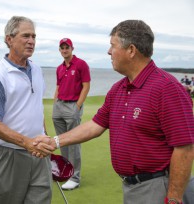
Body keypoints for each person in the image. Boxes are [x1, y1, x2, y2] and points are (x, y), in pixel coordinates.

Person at [34, 20, 194, 204]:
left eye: (113, 46)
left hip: (158, 186)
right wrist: (54, 141)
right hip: (132, 187)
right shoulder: (118, 89)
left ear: (131, 50)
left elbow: (185, 148)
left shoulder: (167, 88)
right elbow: (95, 125)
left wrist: (173, 199)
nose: (109, 52)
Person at [0, 16, 53, 204]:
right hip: (8, 154)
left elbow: (36, 107)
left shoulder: (37, 70)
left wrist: (44, 136)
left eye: (34, 37)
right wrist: (27, 143)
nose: (31, 41)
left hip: (38, 152)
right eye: (26, 36)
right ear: (9, 39)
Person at [52, 38, 90, 190]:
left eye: (66, 47)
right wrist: (55, 103)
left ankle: (75, 178)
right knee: (62, 141)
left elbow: (86, 86)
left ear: (72, 48)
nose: (64, 50)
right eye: (62, 48)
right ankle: (66, 171)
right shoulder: (59, 68)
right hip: (59, 106)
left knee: (74, 143)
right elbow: (58, 86)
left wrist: (78, 106)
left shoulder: (81, 64)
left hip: (72, 106)